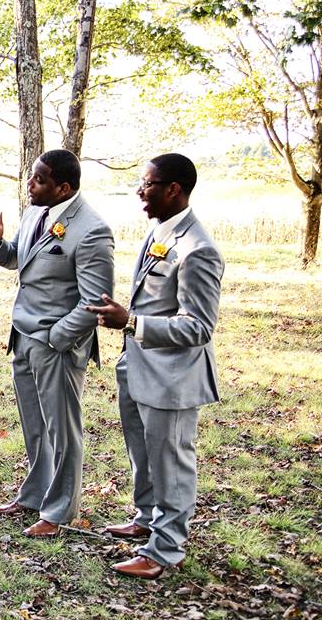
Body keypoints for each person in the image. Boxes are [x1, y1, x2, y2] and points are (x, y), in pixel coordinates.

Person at [85, 153, 224, 579]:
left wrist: (133, 322)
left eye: (146, 184)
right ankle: (147, 519)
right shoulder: (159, 231)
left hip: (172, 378)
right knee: (143, 455)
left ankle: (166, 550)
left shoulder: (198, 250)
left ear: (173, 189)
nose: (139, 191)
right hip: (138, 366)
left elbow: (198, 326)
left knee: (171, 462)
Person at [0, 149, 114, 538]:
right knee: (35, 426)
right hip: (22, 337)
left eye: (38, 179)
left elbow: (95, 303)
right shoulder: (36, 211)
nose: (29, 184)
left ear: (63, 187)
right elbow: (18, 258)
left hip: (57, 345)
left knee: (62, 430)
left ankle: (58, 511)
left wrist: (56, 339)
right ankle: (35, 494)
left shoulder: (91, 230)